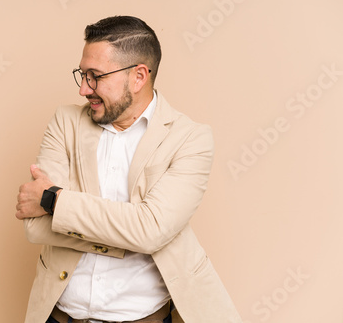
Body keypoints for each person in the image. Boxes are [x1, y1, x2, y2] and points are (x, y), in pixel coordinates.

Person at [16, 16, 242, 323]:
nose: (84, 89)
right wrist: (129, 232)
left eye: (95, 76)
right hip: (60, 317)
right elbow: (36, 227)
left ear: (138, 77)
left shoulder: (190, 138)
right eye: (82, 75)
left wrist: (54, 202)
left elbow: (150, 231)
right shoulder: (65, 122)